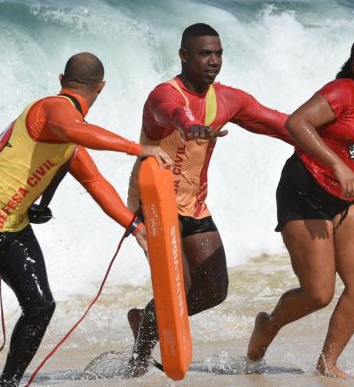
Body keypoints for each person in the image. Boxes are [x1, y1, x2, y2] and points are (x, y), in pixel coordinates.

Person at [0, 52, 172, 387]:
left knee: (40, 307)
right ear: (101, 88)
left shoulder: (70, 142)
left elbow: (98, 185)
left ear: (62, 77)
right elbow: (74, 128)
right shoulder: (53, 108)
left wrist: (136, 228)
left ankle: (8, 384)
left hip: (12, 225)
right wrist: (139, 149)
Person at [124, 23, 293, 376]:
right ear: (184, 56)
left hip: (194, 203)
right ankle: (139, 357)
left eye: (218, 54)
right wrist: (189, 127)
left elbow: (277, 123)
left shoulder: (228, 99)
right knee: (178, 287)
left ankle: (145, 321)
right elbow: (172, 113)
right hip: (153, 204)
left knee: (214, 290)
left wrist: (324, 139)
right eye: (204, 54)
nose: (213, 60)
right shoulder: (163, 94)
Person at [246, 34, 354, 378]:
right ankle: (268, 325)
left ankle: (328, 362)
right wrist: (336, 164)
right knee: (318, 294)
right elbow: (296, 123)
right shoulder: (341, 92)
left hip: (349, 197)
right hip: (305, 192)